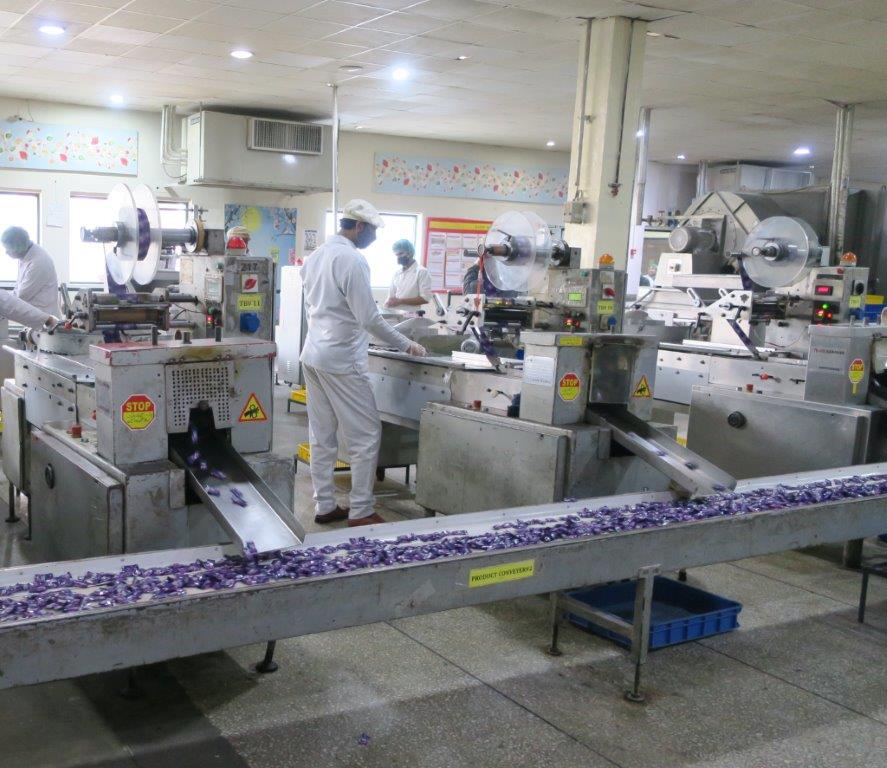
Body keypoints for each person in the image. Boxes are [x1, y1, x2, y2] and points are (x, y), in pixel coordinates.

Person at [300, 199, 427, 528]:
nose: (374, 238)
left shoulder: (316, 256)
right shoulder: (352, 260)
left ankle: (325, 505)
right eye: (372, 231)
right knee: (366, 435)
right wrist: (407, 343)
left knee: (322, 434)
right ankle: (360, 510)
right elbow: (369, 318)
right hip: (342, 360)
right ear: (358, 226)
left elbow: (314, 308)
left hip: (313, 354)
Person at [1, 227, 60, 319]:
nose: (6, 252)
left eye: (8, 249)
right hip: (35, 316)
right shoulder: (25, 255)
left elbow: (22, 296)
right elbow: (18, 287)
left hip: (44, 317)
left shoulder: (39, 262)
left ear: (18, 248)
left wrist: (3, 304)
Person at [384, 239, 431, 309]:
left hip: (411, 316)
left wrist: (400, 301)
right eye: (396, 255)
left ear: (410, 253)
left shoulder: (422, 272)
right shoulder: (397, 273)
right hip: (395, 314)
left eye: (400, 254)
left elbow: (425, 298)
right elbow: (391, 297)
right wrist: (385, 307)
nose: (398, 257)